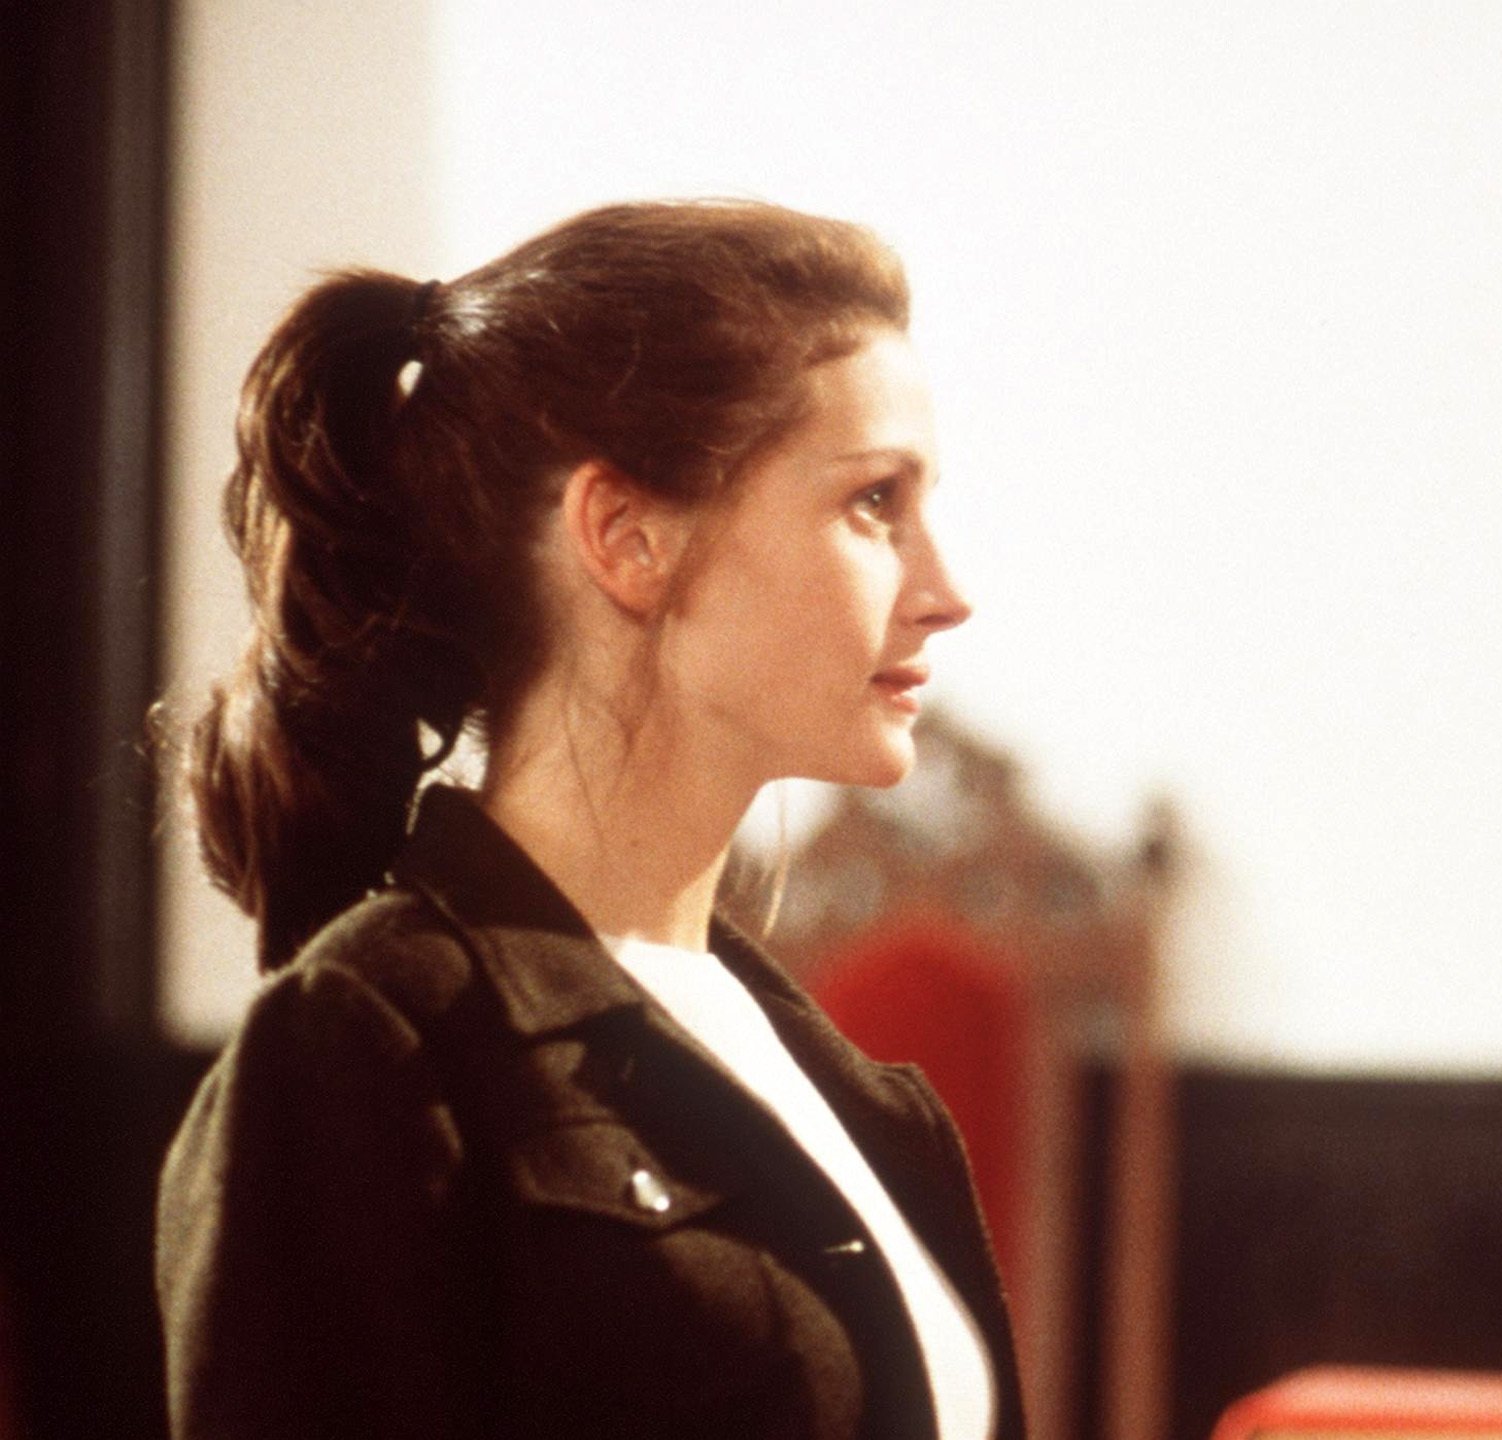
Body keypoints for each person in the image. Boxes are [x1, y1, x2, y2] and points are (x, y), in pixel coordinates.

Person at [160, 199, 1017, 1440]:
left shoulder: (861, 1101)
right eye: (873, 500)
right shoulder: (371, 1045)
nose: (946, 591)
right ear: (626, 537)